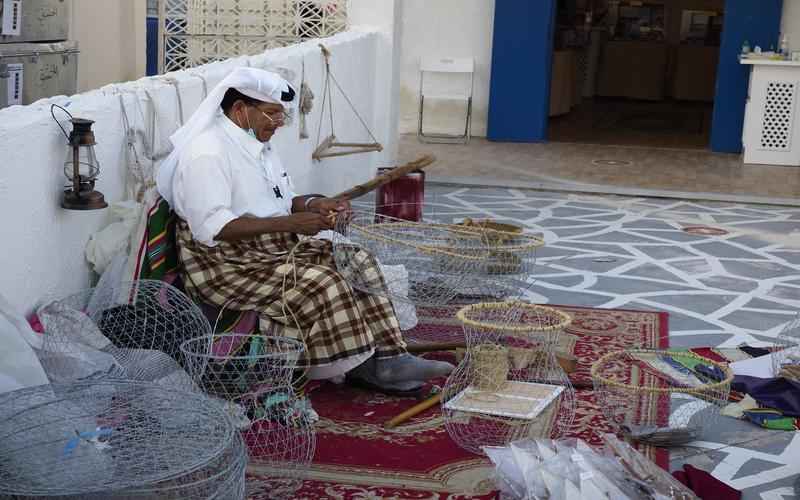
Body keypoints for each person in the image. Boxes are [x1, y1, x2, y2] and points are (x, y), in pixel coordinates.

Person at [156, 67, 452, 392]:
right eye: (270, 114)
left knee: (356, 260)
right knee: (321, 283)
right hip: (224, 263)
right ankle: (365, 366)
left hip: (269, 247)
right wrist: (292, 224)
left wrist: (314, 204)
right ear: (240, 109)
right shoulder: (206, 153)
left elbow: (280, 199)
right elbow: (212, 228)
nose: (278, 123)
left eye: (280, 116)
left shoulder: (259, 145)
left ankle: (390, 357)